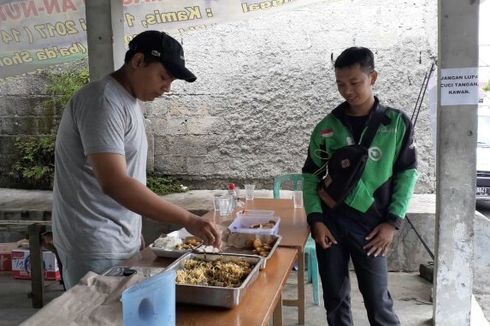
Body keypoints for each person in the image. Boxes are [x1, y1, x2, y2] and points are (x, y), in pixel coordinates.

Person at [52, 30, 221, 289]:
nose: (167, 87)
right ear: (139, 61)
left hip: (117, 240)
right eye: (164, 77)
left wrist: (132, 231)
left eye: (172, 81)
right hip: (95, 245)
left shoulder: (126, 101)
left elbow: (129, 178)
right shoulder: (103, 101)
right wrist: (189, 220)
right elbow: (115, 182)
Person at [302, 47, 417, 325]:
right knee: (335, 300)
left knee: (379, 303)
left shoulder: (396, 123)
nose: (347, 91)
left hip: (373, 228)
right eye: (341, 84)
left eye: (355, 82)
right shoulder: (327, 127)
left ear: (372, 77)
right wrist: (316, 220)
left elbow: (407, 174)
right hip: (331, 224)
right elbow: (310, 176)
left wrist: (392, 222)